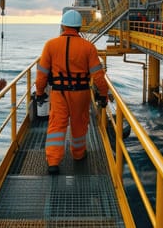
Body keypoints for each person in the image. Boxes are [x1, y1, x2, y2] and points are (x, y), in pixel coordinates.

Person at [35, 9, 109, 175]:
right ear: (79, 28)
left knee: (57, 125)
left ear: (63, 26)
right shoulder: (88, 47)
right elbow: (98, 76)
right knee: (79, 124)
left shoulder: (50, 45)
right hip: (81, 93)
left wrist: (40, 92)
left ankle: (53, 162)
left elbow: (41, 74)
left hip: (59, 93)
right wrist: (103, 95)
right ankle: (78, 154)